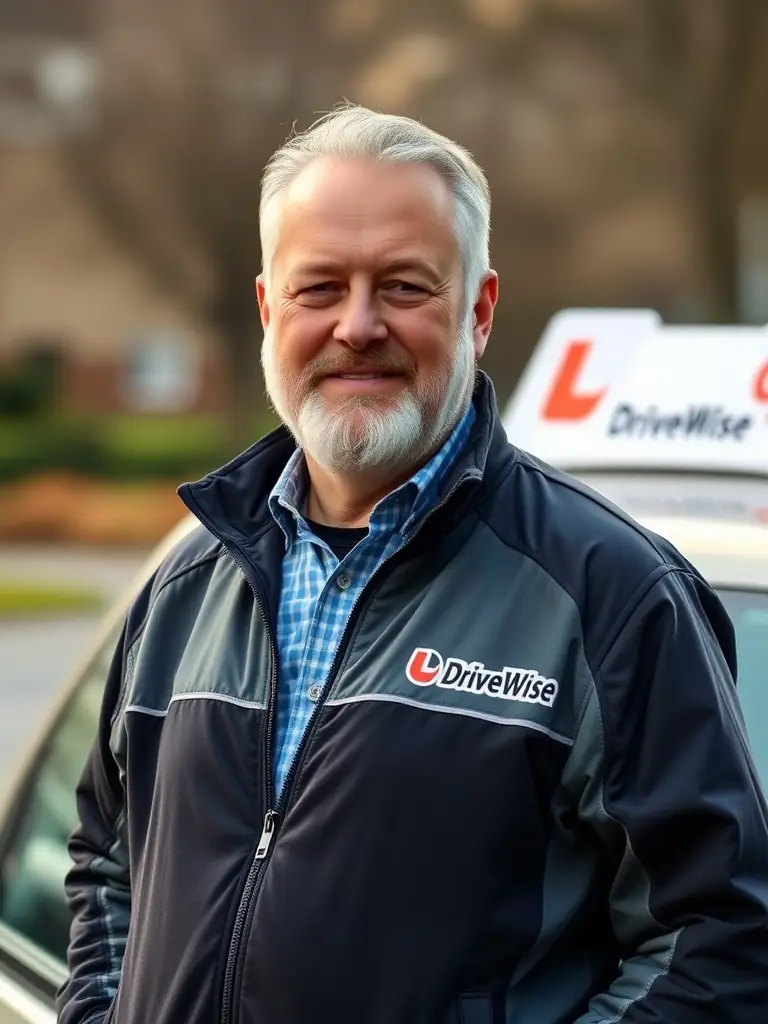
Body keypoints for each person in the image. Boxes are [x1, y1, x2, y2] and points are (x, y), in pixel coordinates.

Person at [58, 104, 768, 1024]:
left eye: (402, 286)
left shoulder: (616, 599)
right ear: (270, 308)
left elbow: (718, 939)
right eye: (321, 288)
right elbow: (109, 861)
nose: (358, 325)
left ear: (477, 311)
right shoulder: (187, 587)